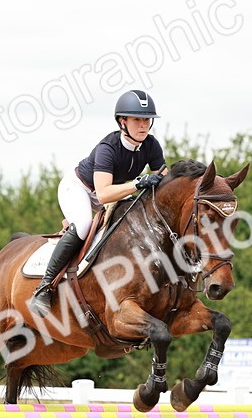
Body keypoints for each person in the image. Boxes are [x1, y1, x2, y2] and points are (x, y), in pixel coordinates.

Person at [28, 89, 167, 316]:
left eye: (146, 120)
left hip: (116, 190)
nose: (143, 125)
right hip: (81, 188)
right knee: (83, 225)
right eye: (137, 120)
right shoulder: (108, 148)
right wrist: (139, 182)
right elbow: (102, 195)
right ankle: (44, 286)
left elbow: (162, 178)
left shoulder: (151, 145)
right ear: (123, 122)